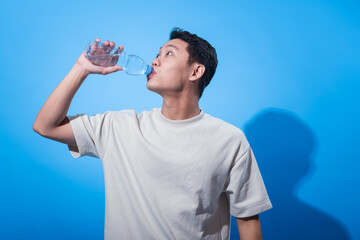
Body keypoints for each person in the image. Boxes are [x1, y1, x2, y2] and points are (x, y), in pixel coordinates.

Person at [33, 28, 272, 240]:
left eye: (168, 53)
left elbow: (248, 219)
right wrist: (81, 69)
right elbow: (46, 126)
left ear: (195, 72)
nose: (155, 61)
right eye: (157, 54)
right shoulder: (118, 127)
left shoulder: (229, 140)